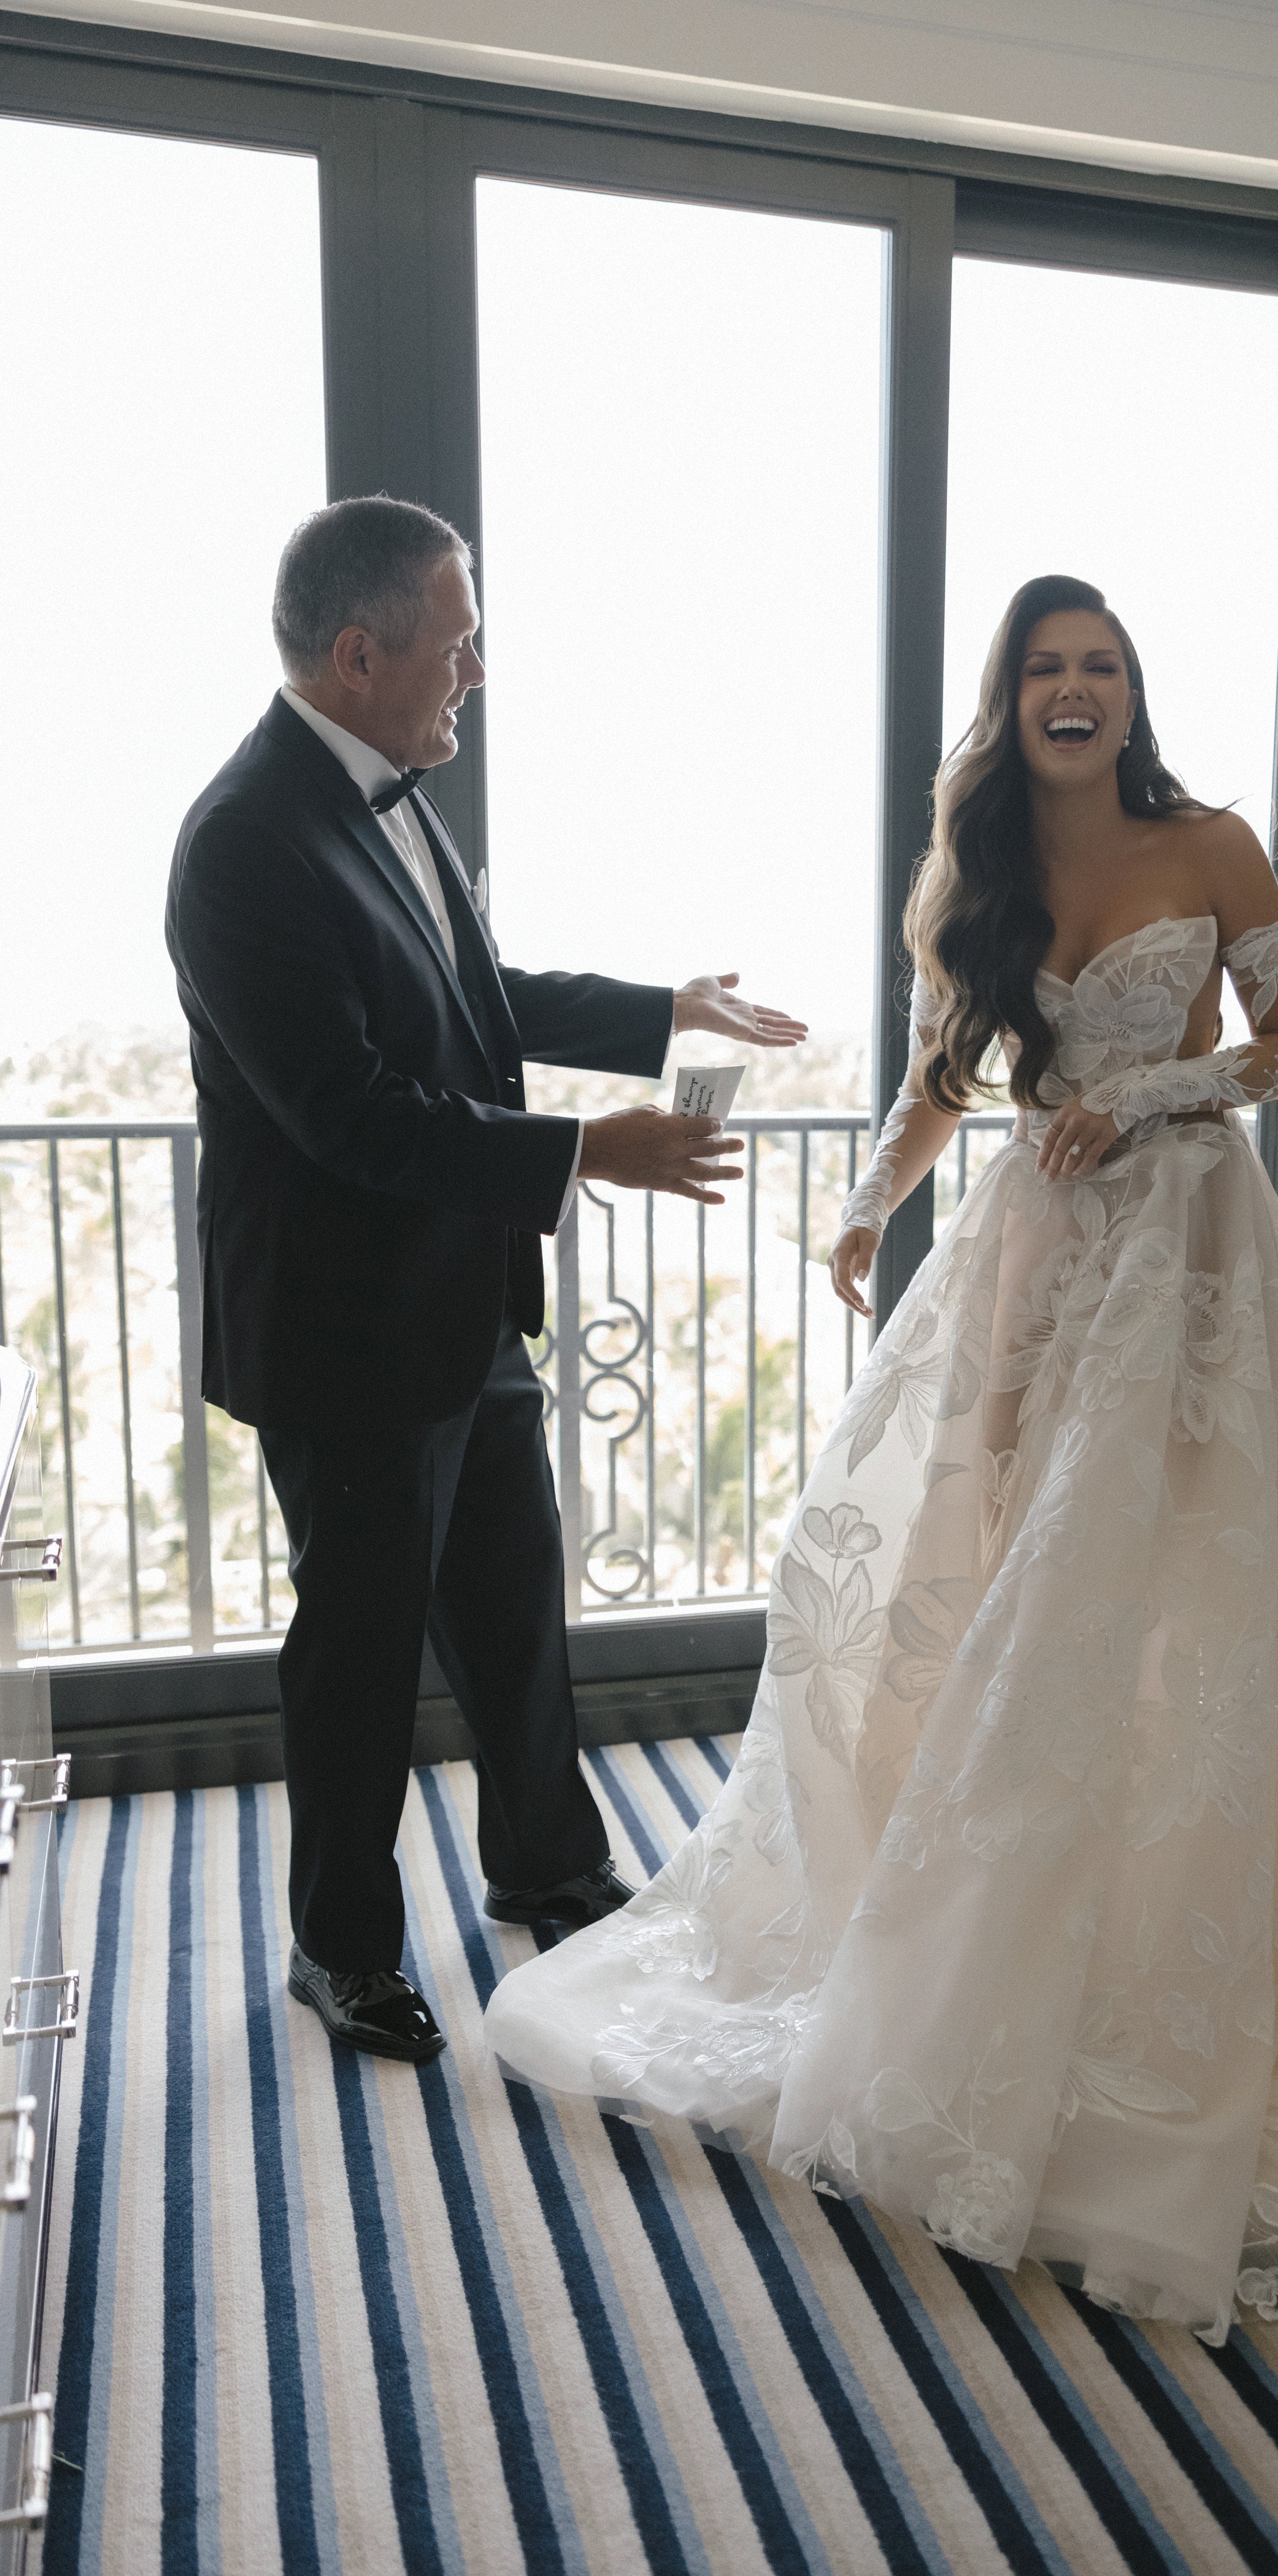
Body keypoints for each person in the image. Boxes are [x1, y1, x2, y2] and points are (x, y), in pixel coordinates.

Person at [485, 575, 1278, 2334]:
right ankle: (996, 1907)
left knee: (1196, 1577)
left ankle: (1198, 1923)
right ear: (1013, 701)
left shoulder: (1213, 845)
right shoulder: (981, 874)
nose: (1076, 690)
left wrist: (1144, 1093)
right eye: (1047, 669)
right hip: (1041, 1265)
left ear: (1133, 695)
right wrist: (865, 1206)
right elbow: (940, 1069)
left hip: (1194, 1258)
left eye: (1103, 666)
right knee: (1005, 1574)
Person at [166, 494, 806, 2066]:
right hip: (340, 1330)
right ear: (361, 649)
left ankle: (549, 1867)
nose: (475, 669)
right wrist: (594, 1154)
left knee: (518, 1608)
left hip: (460, 1303)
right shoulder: (242, 844)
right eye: (456, 643)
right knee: (365, 1648)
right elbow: (351, 1114)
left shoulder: (396, 788)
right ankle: (344, 1948)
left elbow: (480, 994)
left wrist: (663, 1007)